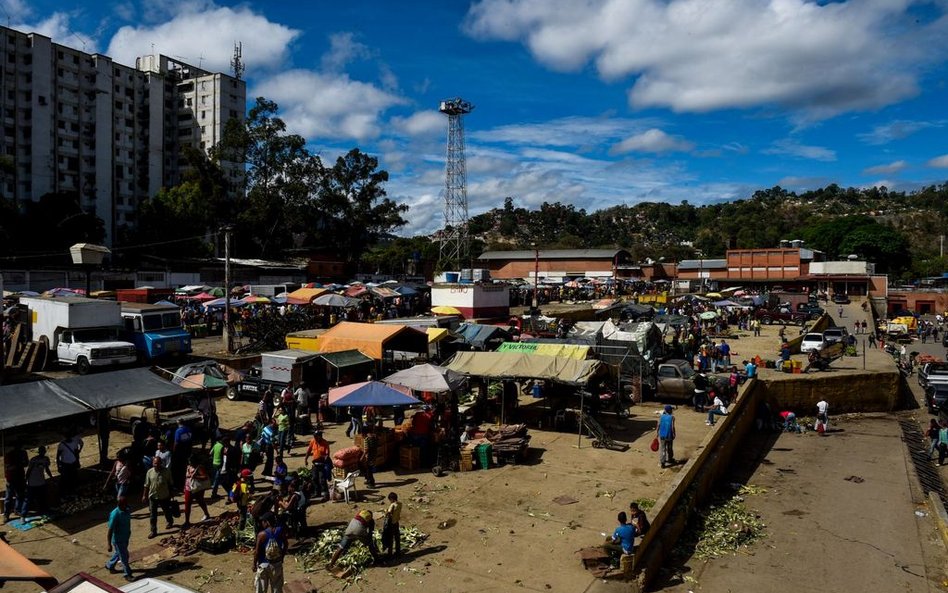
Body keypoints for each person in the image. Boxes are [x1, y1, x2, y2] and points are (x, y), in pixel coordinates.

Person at [142, 456, 175, 538]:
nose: (156, 465)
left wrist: (171, 494)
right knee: (153, 515)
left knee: (166, 510)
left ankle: (169, 521)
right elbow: (146, 485)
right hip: (153, 496)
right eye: (154, 463)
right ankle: (153, 531)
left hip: (164, 496)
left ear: (161, 463)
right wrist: (144, 495)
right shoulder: (149, 472)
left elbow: (170, 483)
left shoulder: (167, 471)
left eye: (157, 463)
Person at [253, 512, 287, 593]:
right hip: (276, 564)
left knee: (261, 589)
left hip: (263, 565)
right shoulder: (280, 530)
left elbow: (256, 552)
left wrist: (254, 564)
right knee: (277, 588)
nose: (262, 523)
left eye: (263, 521)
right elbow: (286, 544)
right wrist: (281, 557)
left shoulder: (261, 535)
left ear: (267, 522)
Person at [105, 496, 135, 581]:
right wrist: (109, 544)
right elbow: (110, 530)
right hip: (118, 540)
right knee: (124, 556)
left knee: (119, 553)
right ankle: (127, 575)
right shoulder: (115, 515)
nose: (127, 505)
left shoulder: (126, 509)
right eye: (125, 504)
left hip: (125, 537)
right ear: (120, 504)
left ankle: (109, 565)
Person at [183, 455, 211, 527]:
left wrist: (196, 476)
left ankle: (206, 514)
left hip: (197, 489)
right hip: (188, 488)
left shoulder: (199, 467)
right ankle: (187, 521)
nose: (190, 463)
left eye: (191, 462)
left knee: (200, 501)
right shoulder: (188, 467)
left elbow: (205, 476)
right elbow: (187, 478)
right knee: (187, 504)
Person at [3, 442, 29, 521]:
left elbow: (26, 463)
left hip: (20, 477)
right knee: (8, 498)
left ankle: (17, 510)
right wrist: (19, 464)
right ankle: (6, 514)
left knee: (20, 495)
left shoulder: (23, 453)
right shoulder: (9, 455)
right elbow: (7, 467)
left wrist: (19, 464)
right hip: (11, 479)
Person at [25, 446, 53, 516]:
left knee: (41, 497)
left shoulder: (46, 459)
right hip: (33, 481)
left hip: (41, 481)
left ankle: (42, 510)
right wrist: (26, 480)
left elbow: (47, 469)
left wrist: (51, 477)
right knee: (30, 498)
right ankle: (24, 513)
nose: (42, 453)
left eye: (43, 452)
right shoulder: (33, 460)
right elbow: (29, 471)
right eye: (41, 451)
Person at [56, 432, 83, 501]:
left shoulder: (70, 444)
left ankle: (71, 493)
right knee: (66, 480)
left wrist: (77, 462)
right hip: (65, 464)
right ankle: (64, 495)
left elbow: (76, 454)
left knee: (72, 479)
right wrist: (58, 466)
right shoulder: (61, 445)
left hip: (72, 464)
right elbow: (58, 456)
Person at [305, 430, 332, 499]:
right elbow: (309, 450)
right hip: (315, 464)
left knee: (322, 479)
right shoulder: (313, 441)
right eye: (315, 437)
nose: (315, 438)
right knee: (314, 478)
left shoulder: (325, 443)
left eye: (317, 437)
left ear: (320, 436)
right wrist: (306, 459)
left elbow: (327, 455)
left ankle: (326, 494)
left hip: (322, 464)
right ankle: (317, 492)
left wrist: (323, 458)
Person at [171, 419, 193, 490]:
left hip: (179, 452)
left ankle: (177, 484)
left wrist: (173, 452)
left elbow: (176, 443)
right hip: (187, 451)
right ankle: (184, 482)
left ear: (178, 424)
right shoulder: (189, 429)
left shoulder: (178, 431)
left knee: (177, 469)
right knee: (184, 468)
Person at [382, 492, 402, 557]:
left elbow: (389, 513)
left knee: (390, 538)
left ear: (392, 499)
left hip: (391, 524)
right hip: (396, 522)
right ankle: (398, 551)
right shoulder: (400, 504)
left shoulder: (392, 505)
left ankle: (390, 553)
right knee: (397, 537)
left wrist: (385, 511)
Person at [361, 424, 378, 488]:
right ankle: (368, 480)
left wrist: (362, 457)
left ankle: (371, 483)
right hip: (374, 455)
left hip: (368, 457)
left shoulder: (367, 439)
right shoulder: (374, 437)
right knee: (369, 469)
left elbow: (366, 450)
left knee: (369, 470)